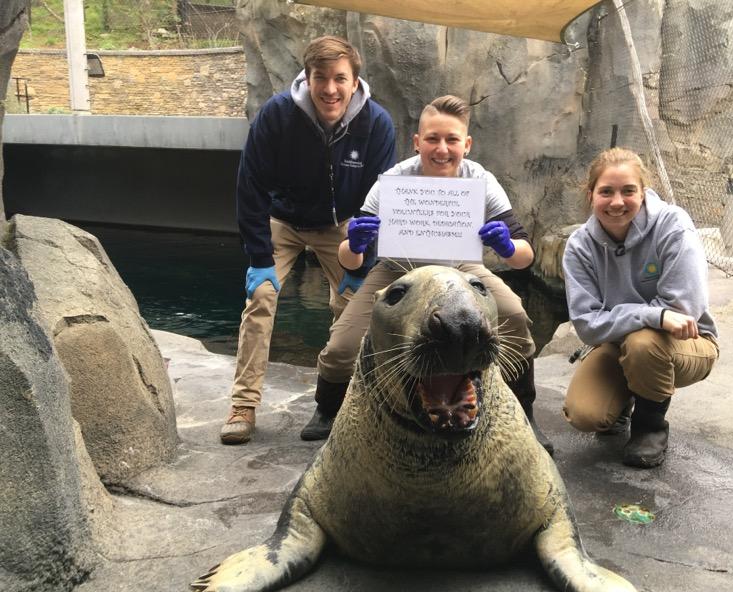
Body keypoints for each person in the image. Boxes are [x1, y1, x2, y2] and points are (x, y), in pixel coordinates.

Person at [303, 95, 554, 455]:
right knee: (344, 343)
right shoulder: (393, 181)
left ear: (466, 144)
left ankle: (525, 409)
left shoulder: (480, 179)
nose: (442, 149)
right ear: (417, 142)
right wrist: (355, 243)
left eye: (452, 139)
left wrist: (508, 247)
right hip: (399, 269)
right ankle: (327, 407)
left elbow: (524, 258)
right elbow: (350, 261)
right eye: (433, 139)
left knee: (513, 313)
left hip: (461, 267)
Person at [220, 35, 397, 445]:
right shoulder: (278, 115)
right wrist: (259, 255)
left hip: (344, 226)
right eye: (321, 78)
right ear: (308, 77)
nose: (330, 89)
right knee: (261, 297)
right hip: (283, 220)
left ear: (355, 81)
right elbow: (250, 186)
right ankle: (244, 404)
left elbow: (383, 198)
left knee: (351, 305)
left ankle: (340, 396)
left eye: (340, 78)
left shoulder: (376, 123)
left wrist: (363, 259)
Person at [561, 147, 719, 468]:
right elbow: (587, 325)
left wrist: (637, 319)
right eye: (606, 191)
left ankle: (650, 426)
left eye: (628, 191)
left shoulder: (672, 225)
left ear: (643, 192)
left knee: (643, 343)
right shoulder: (579, 246)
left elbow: (684, 308)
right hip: (619, 343)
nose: (617, 202)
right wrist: (653, 314)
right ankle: (622, 403)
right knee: (585, 414)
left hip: (688, 343)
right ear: (591, 195)